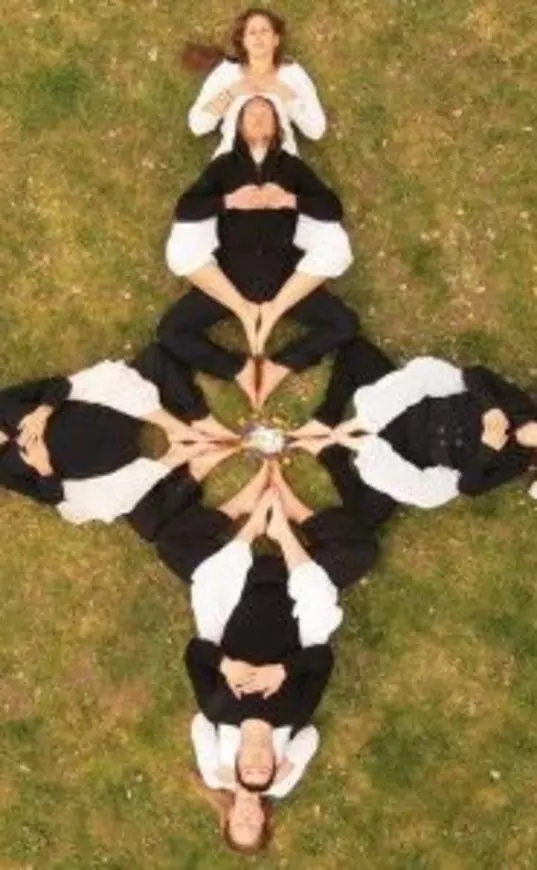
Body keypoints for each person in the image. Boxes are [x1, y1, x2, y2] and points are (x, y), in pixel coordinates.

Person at [159, 95, 356, 408]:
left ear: (277, 127)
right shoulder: (224, 167)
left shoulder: (291, 168)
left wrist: (289, 200)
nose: (259, 117)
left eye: (266, 113)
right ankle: (239, 369)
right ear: (238, 127)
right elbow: (185, 209)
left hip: (284, 278)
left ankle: (278, 367)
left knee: (345, 324)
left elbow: (332, 208)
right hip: (231, 277)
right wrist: (229, 201)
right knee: (170, 331)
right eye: (251, 114)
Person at [0, 342, 236, 524]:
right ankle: (187, 463)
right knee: (150, 524)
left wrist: (41, 413)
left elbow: (58, 385)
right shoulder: (3, 472)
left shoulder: (3, 402)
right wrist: (43, 467)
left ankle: (195, 422)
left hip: (112, 414)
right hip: (109, 465)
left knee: (157, 357)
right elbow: (50, 496)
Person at [293, 337, 537, 508]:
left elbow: (469, 487)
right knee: (355, 350)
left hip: (408, 456)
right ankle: (331, 422)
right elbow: (475, 374)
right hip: (407, 409)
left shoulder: (517, 461)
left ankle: (334, 451)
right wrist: (492, 408)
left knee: (371, 514)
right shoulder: (522, 406)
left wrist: (487, 450)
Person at [185, 7, 326, 159]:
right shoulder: (227, 73)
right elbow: (197, 125)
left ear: (275, 39)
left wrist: (285, 93)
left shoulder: (291, 73)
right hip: (233, 162)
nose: (258, 37)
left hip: (281, 163)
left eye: (264, 31)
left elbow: (316, 130)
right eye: (252, 32)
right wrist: (232, 92)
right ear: (243, 41)